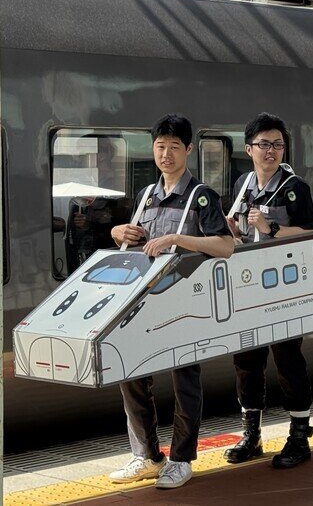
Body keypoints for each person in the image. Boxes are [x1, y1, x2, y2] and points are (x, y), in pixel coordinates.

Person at [108, 115, 233, 490]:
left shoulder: (201, 196)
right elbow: (132, 243)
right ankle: (147, 456)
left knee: (184, 380)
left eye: (174, 147)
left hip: (184, 304)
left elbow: (225, 245)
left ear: (188, 149)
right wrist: (118, 232)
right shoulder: (146, 195)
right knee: (131, 374)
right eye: (160, 146)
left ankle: (180, 459)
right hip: (143, 302)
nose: (166, 154)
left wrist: (178, 240)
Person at [223, 113, 313, 469]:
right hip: (248, 290)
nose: (271, 151)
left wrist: (272, 228)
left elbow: (311, 233)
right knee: (246, 362)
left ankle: (299, 437)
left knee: (288, 360)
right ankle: (252, 435)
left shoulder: (296, 187)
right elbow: (240, 235)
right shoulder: (242, 184)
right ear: (249, 149)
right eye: (264, 144)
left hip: (284, 291)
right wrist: (233, 230)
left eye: (277, 144)